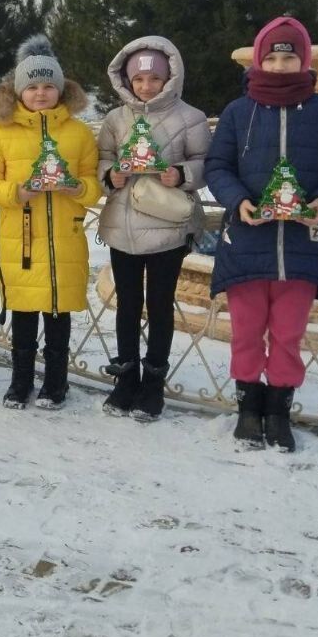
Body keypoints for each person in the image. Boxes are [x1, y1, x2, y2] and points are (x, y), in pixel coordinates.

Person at [206, 16, 318, 452]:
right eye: (271, 55)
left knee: (288, 333)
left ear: (303, 59)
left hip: (302, 245)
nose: (279, 63)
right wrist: (238, 201)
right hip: (248, 241)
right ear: (259, 59)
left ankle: (279, 411)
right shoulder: (238, 112)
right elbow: (218, 166)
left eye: (288, 56)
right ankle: (249, 409)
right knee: (247, 330)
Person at [0, 35, 101, 410]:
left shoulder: (77, 133)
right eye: (32, 86)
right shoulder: (1, 131)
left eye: (48, 86)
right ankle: (21, 381)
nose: (40, 93)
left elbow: (94, 184)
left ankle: (56, 383)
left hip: (64, 238)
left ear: (60, 90)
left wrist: (77, 187)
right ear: (18, 91)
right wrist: (16, 193)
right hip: (21, 240)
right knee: (25, 316)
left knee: (58, 315)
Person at [96, 36, 211, 420]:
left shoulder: (190, 117)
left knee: (159, 305)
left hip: (166, 227)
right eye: (139, 80)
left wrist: (181, 174)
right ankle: (126, 379)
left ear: (169, 78)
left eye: (154, 79)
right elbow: (103, 160)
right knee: (127, 305)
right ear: (127, 81)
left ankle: (153, 385)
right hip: (123, 225)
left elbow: (205, 162)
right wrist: (111, 174)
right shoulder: (115, 119)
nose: (146, 86)